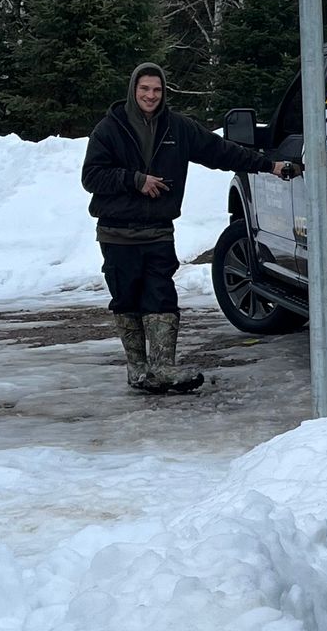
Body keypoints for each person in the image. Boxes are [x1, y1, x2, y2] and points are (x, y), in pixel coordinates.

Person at [82, 61, 290, 394]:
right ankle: (138, 369)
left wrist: (270, 165)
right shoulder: (110, 129)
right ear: (133, 90)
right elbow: (91, 177)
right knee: (126, 298)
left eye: (157, 90)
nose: (151, 96)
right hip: (117, 233)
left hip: (159, 230)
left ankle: (163, 367)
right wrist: (134, 180)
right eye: (145, 89)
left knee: (161, 295)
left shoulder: (177, 129)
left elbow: (220, 152)